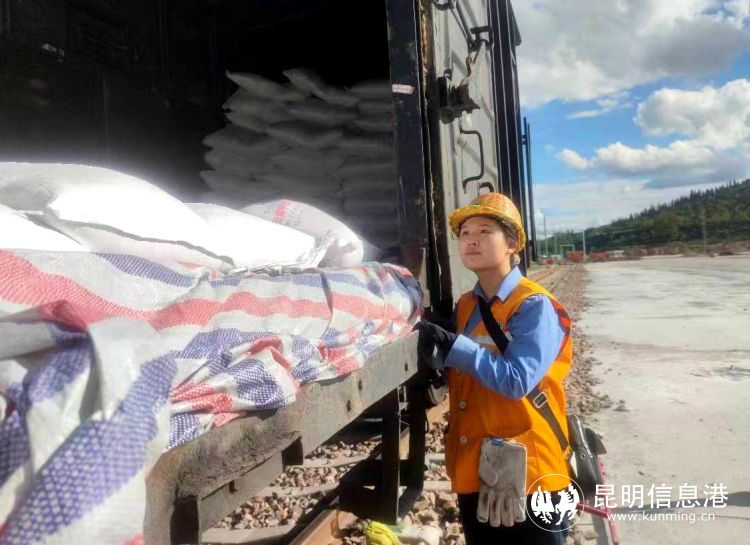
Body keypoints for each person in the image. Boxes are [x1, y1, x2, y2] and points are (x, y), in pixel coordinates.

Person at [415, 192, 575, 545]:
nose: (471, 239)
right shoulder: (466, 305)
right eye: (465, 232)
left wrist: (456, 348)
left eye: (485, 231)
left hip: (528, 474)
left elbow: (517, 380)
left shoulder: (534, 306)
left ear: (512, 243)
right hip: (477, 467)